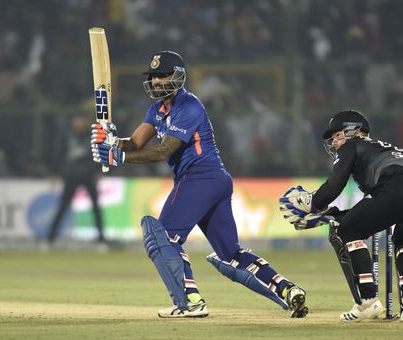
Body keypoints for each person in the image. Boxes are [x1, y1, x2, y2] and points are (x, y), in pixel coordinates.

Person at [90, 50, 308, 318]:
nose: (158, 81)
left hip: (199, 177)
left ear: (178, 76)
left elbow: (163, 151)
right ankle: (287, 289)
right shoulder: (156, 109)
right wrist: (112, 141)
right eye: (154, 76)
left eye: (163, 75)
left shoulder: (189, 106)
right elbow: (135, 143)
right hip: (213, 181)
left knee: (163, 238)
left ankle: (190, 301)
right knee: (231, 255)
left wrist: (119, 157)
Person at [279, 110, 403, 323]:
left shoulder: (352, 146)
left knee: (347, 230)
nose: (335, 142)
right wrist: (329, 214)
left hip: (396, 188)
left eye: (337, 135)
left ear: (353, 131)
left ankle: (368, 301)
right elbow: (372, 210)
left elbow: (333, 187)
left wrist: (311, 204)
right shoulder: (381, 148)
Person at [47, 115, 106, 247]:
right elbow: (59, 154)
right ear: (73, 122)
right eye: (78, 120)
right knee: (63, 207)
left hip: (88, 175)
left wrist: (98, 171)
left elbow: (99, 153)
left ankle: (101, 240)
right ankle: (50, 239)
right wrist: (56, 172)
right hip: (71, 175)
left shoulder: (92, 136)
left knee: (95, 207)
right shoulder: (67, 136)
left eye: (82, 120)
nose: (80, 123)